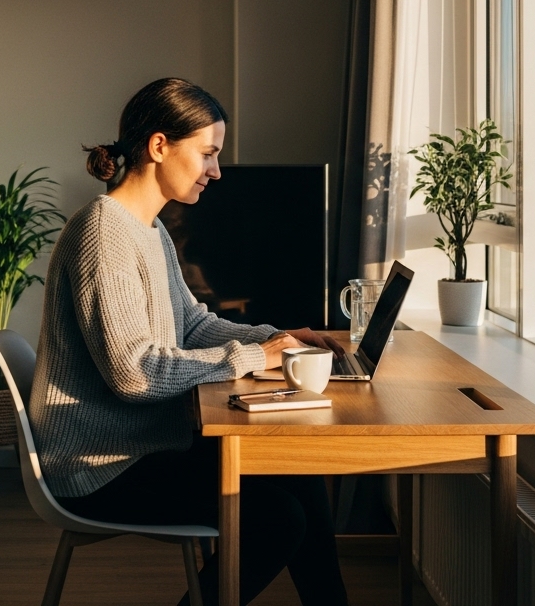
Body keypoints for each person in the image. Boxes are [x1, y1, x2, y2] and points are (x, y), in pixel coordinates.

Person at [31, 77, 350, 606]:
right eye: (208, 153)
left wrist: (280, 337)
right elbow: (134, 374)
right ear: (159, 146)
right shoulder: (103, 232)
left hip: (141, 444)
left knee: (297, 472)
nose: (216, 171)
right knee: (278, 518)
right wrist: (255, 356)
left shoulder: (147, 230)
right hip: (102, 464)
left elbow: (194, 325)